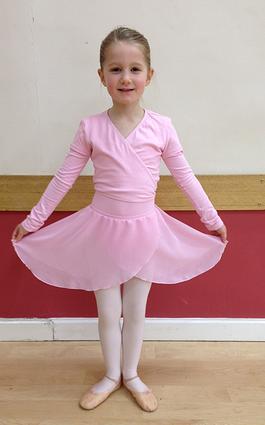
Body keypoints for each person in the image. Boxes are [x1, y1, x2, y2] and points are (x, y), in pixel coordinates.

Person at [11, 26, 228, 412]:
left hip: (145, 229)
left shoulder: (161, 126)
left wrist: (210, 218)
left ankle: (132, 374)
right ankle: (110, 375)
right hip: (102, 229)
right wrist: (33, 220)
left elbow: (184, 175)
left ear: (149, 75)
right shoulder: (90, 128)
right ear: (101, 77)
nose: (125, 78)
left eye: (134, 69)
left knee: (137, 310)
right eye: (115, 69)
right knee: (108, 311)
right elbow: (65, 177)